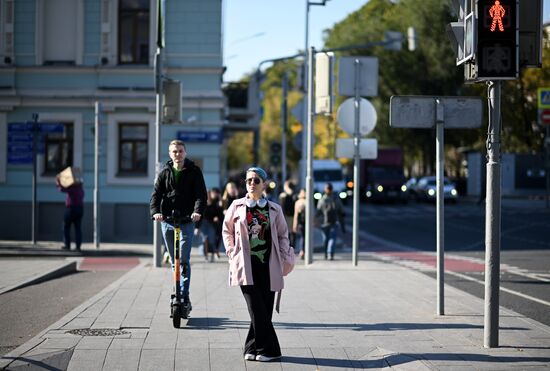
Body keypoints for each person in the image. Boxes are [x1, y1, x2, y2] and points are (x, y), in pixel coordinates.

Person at [222, 167, 295, 362]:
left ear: (263, 184)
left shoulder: (274, 209)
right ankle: (270, 350)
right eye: (248, 181)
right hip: (245, 265)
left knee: (265, 308)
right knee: (255, 307)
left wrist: (282, 254)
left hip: (269, 265)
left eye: (255, 180)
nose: (251, 184)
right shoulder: (236, 206)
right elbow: (226, 231)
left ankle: (251, 348)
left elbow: (282, 236)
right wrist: (231, 251)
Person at [150, 139, 207, 313]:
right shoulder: (164, 172)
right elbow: (156, 195)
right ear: (170, 153)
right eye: (174, 151)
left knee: (183, 260)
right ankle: (177, 291)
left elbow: (201, 195)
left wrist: (197, 212)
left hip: (187, 221)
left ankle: (184, 294)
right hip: (167, 221)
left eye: (180, 151)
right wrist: (155, 213)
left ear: (185, 153)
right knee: (174, 260)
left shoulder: (194, 171)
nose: (178, 154)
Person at [316, 182, 345, 260]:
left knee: (326, 239)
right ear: (332, 189)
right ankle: (330, 254)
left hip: (324, 223)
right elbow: (341, 210)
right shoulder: (336, 199)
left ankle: (326, 253)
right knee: (332, 238)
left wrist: (315, 220)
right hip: (334, 221)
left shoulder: (322, 199)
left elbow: (318, 212)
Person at [56, 175, 84, 251]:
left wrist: (58, 182)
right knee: (78, 228)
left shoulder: (72, 188)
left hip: (71, 209)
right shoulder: (80, 189)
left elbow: (62, 189)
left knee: (66, 227)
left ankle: (67, 245)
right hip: (80, 209)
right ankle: (78, 247)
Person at [201, 188, 224, 262]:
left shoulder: (215, 202)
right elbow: (200, 214)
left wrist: (216, 217)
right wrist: (197, 227)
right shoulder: (203, 202)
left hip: (212, 224)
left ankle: (212, 253)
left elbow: (219, 213)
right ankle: (206, 255)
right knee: (205, 239)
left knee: (211, 239)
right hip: (204, 223)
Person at [278, 180, 297, 245]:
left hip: (287, 216)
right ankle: (291, 246)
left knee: (288, 232)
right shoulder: (295, 195)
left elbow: (281, 207)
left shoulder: (284, 196)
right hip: (292, 216)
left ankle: (289, 246)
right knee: (292, 232)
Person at [292, 188, 306, 259]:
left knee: (302, 237)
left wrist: (295, 225)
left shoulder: (298, 202)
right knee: (304, 237)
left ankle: (302, 251)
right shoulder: (308, 202)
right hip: (304, 222)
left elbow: (296, 215)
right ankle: (303, 251)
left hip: (301, 222)